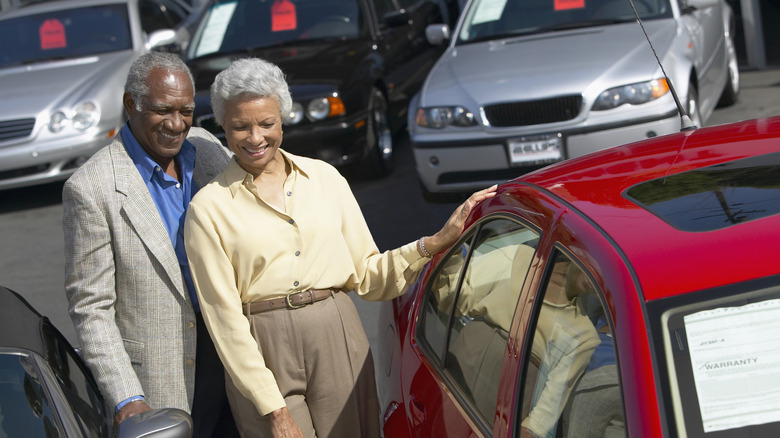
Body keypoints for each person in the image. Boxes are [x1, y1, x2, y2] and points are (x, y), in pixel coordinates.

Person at [183, 57, 497, 438]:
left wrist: (433, 243)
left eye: (266, 123)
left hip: (337, 333)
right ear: (222, 127)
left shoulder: (325, 178)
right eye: (239, 127)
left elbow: (368, 275)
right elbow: (224, 319)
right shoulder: (208, 208)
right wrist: (273, 408)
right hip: (262, 349)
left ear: (283, 118)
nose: (255, 138)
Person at [62, 51, 238, 436]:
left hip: (234, 357)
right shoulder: (92, 188)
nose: (177, 125)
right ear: (131, 104)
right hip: (163, 380)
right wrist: (126, 397)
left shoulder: (208, 149)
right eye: (163, 110)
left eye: (187, 110)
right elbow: (91, 307)